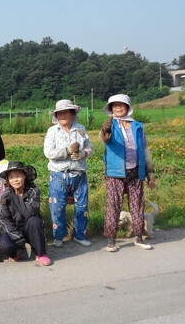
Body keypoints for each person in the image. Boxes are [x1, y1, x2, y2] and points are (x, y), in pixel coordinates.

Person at [99, 94, 156, 252]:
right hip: (115, 172)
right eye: (114, 105)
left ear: (127, 107)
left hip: (136, 171)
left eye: (121, 105)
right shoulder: (110, 124)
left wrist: (150, 172)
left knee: (137, 205)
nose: (117, 107)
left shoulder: (138, 126)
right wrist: (105, 129)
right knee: (113, 205)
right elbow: (104, 138)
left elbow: (145, 148)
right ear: (111, 109)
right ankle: (111, 240)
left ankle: (139, 237)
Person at [43, 99, 94, 248]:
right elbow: (48, 152)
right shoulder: (52, 131)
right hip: (58, 174)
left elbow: (90, 146)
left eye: (66, 112)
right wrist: (67, 151)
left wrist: (83, 153)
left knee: (82, 207)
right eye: (59, 113)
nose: (63, 115)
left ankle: (79, 234)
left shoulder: (80, 129)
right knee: (57, 207)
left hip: (79, 174)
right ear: (56, 116)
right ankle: (59, 236)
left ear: (73, 114)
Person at [0, 161, 52, 266]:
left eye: (18, 176)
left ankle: (41, 254)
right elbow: (4, 220)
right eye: (11, 177)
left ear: (25, 176)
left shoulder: (33, 191)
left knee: (34, 220)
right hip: (13, 229)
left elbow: (31, 212)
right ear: (8, 180)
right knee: (3, 245)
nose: (15, 180)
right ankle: (15, 254)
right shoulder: (5, 195)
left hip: (29, 228)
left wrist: (15, 199)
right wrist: (17, 237)